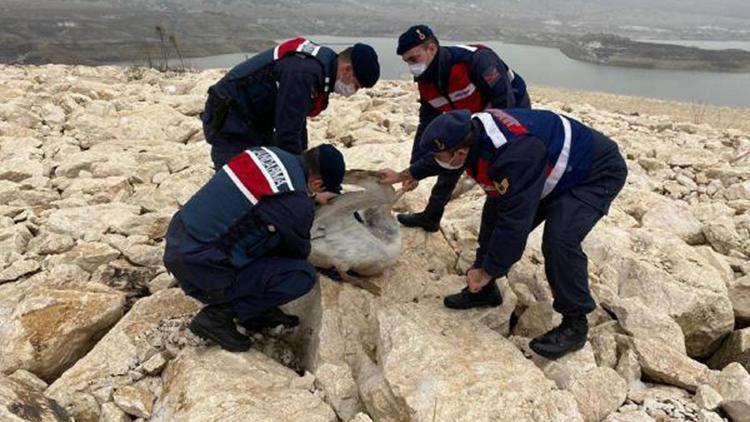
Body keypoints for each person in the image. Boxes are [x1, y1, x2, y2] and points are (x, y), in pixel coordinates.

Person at [379, 108, 627, 359]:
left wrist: (489, 269)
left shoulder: (515, 153)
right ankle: (485, 291)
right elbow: (442, 158)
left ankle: (575, 323)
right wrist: (406, 174)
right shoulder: (468, 135)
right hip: (549, 166)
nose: (439, 159)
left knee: (559, 240)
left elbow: (515, 222)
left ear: (462, 152)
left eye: (443, 155)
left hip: (594, 172)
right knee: (492, 216)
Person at [163, 144, 346, 352]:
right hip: (201, 266)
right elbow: (298, 252)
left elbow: (272, 200)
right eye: (322, 188)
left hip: (180, 240)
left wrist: (309, 198)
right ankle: (219, 316)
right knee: (299, 274)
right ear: (317, 183)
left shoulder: (266, 153)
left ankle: (255, 311)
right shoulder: (295, 202)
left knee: (263, 232)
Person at [395, 24, 531, 232]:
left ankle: (501, 230)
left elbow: (505, 103)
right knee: (451, 155)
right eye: (406, 62)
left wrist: (492, 143)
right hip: (469, 118)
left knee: (496, 166)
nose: (411, 66)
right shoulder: (426, 82)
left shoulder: (475, 61)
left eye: (413, 59)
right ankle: (432, 216)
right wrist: (413, 170)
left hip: (510, 108)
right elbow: (428, 126)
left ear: (431, 48)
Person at [201, 37, 380, 168]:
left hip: (256, 117)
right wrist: (301, 175)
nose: (351, 92)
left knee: (268, 168)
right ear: (347, 69)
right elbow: (287, 131)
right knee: (237, 179)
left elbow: (297, 116)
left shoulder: (322, 66)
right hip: (232, 117)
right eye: (355, 85)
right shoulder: (305, 73)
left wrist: (302, 155)